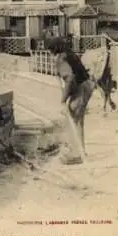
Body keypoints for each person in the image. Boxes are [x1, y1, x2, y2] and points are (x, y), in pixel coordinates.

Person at [47, 37, 96, 165]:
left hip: (80, 88)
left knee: (72, 121)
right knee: (78, 121)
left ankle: (76, 155)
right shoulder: (70, 54)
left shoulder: (61, 59)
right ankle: (81, 152)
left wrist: (64, 99)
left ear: (53, 50)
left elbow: (70, 78)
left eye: (49, 51)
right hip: (87, 85)